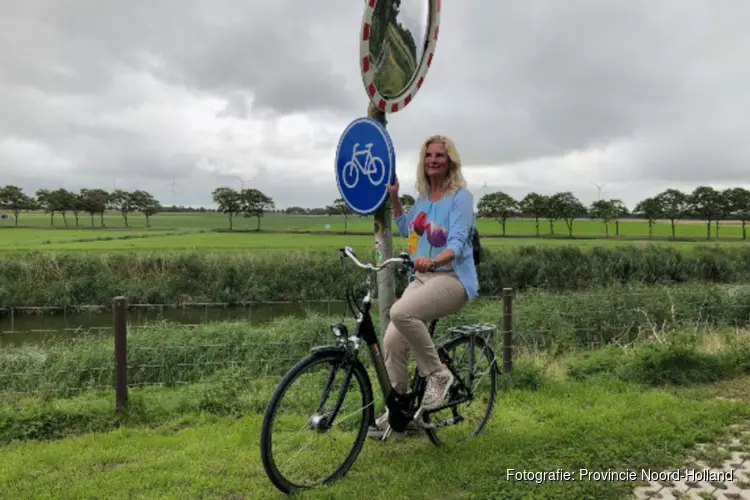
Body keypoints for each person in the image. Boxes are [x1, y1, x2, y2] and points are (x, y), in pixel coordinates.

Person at [367, 134, 479, 439]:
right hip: (422, 279)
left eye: (439, 155)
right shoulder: (423, 196)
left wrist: (434, 260)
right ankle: (399, 414)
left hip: (452, 279)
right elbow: (409, 229)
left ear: (450, 161)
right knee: (391, 340)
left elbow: (456, 241)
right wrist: (394, 198)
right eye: (428, 155)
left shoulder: (461, 198)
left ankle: (437, 374)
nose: (433, 160)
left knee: (401, 312)